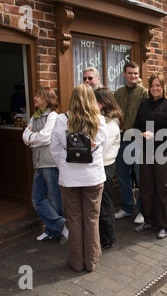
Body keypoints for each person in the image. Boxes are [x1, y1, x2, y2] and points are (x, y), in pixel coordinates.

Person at [50, 83, 107, 272]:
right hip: (93, 177)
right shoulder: (99, 120)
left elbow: (55, 149)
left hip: (69, 179)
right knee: (91, 218)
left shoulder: (61, 120)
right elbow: (101, 148)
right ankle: (91, 261)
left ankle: (76, 262)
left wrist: (65, 167)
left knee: (74, 219)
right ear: (92, 100)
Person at [133, 73, 167, 239]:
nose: (155, 88)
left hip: (164, 153)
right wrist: (140, 134)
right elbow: (136, 126)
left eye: (158, 85)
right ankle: (148, 220)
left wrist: (157, 135)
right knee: (146, 188)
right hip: (146, 152)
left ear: (163, 87)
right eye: (152, 85)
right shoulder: (144, 104)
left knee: (163, 189)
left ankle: (163, 224)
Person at [22, 87, 67, 242]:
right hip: (39, 162)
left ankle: (52, 231)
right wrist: (33, 137)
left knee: (54, 197)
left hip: (50, 162)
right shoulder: (35, 116)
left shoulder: (53, 116)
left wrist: (31, 138)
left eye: (38, 96)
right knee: (37, 198)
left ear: (47, 98)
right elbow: (24, 136)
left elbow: (46, 137)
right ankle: (61, 225)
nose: (34, 98)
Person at [114, 61, 148, 224]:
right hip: (121, 140)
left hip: (138, 141)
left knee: (141, 178)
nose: (133, 76)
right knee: (123, 176)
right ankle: (128, 208)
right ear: (124, 74)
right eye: (130, 73)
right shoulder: (118, 93)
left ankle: (142, 210)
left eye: (136, 73)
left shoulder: (144, 92)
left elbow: (148, 116)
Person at [94, 88, 126, 250]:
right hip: (103, 164)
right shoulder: (104, 120)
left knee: (105, 203)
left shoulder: (111, 122)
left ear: (103, 102)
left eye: (95, 101)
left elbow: (101, 148)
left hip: (105, 164)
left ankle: (108, 238)